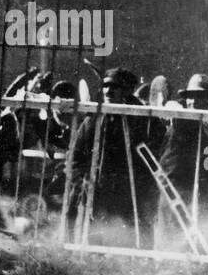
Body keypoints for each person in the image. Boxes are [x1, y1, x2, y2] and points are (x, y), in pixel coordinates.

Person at [65, 67, 156, 246]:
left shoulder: (139, 120)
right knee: (93, 240)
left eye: (114, 87)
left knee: (129, 241)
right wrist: (82, 182)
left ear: (125, 92)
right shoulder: (93, 121)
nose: (108, 91)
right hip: (97, 192)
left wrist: (142, 185)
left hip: (128, 194)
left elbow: (151, 156)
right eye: (105, 86)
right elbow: (74, 157)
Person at [156, 73, 208, 250]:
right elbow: (172, 108)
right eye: (190, 97)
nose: (193, 101)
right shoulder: (180, 120)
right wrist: (172, 107)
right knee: (171, 241)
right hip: (174, 191)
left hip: (198, 196)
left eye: (200, 97)